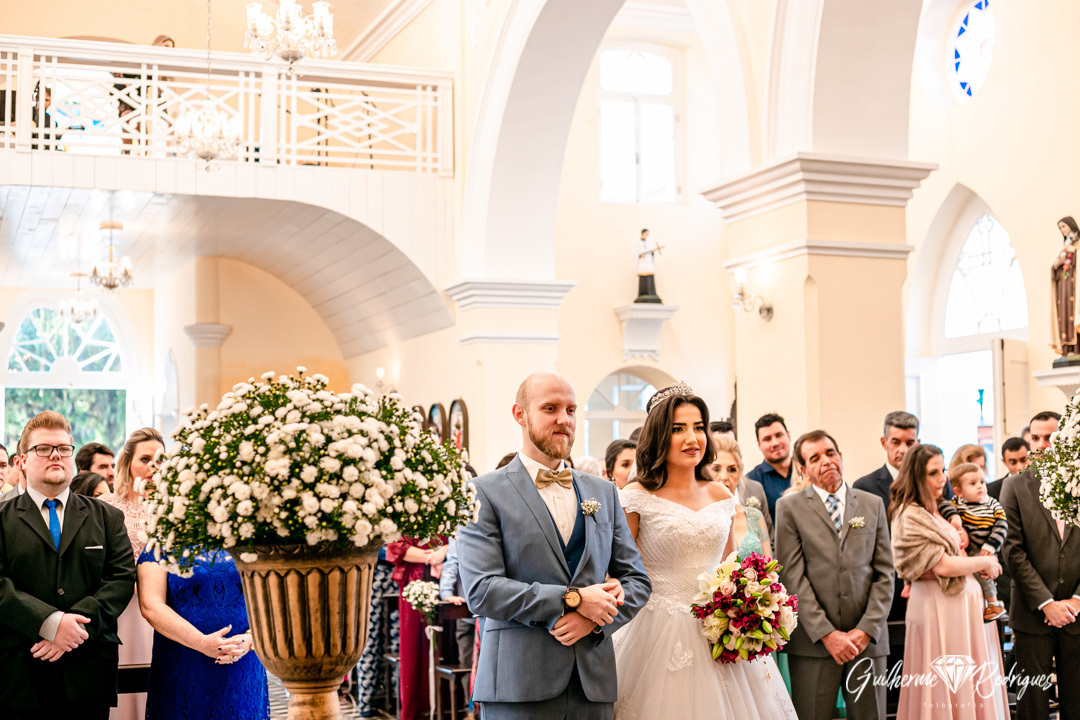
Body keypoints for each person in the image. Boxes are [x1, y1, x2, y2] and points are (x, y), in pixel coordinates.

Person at [458, 372, 651, 720]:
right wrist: (572, 600)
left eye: (571, 410)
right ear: (520, 414)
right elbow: (481, 591)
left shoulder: (603, 492)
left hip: (592, 684)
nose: (564, 419)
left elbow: (637, 581)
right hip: (517, 684)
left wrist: (594, 622)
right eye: (550, 408)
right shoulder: (483, 492)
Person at [612, 384, 793, 718]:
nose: (692, 438)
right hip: (655, 630)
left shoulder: (721, 495)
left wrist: (748, 605)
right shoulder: (636, 497)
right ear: (659, 435)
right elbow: (620, 571)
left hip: (719, 629)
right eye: (678, 429)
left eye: (698, 427)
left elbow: (730, 568)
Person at [0, 411, 136, 719]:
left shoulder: (107, 517)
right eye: (43, 448)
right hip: (20, 672)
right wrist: (50, 624)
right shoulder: (2, 518)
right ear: (22, 461)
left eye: (63, 448)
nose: (55, 455)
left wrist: (72, 628)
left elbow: (120, 579)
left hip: (88, 669)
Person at [774, 430, 894, 720]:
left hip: (867, 642)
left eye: (830, 453)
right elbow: (792, 577)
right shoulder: (789, 508)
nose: (826, 461)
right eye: (814, 458)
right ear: (802, 469)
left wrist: (866, 630)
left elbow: (885, 573)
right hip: (814, 645)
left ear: (840, 456)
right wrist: (827, 635)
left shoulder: (872, 504)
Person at [889, 444, 1008, 719]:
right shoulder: (910, 514)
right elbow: (941, 564)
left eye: (942, 470)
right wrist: (985, 562)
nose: (942, 478)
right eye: (933, 473)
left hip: (963, 610)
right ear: (916, 476)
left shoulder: (938, 509)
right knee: (943, 684)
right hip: (937, 610)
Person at [1001, 410, 1080, 720]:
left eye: (1050, 437)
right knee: (1032, 707)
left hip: (1077, 614)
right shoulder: (1015, 486)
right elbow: (1012, 550)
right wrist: (1046, 603)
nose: (1042, 444)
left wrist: (1076, 600)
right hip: (1032, 615)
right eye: (1035, 438)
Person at [138, 548, 269, 719]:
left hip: (242, 664)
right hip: (183, 666)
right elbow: (151, 606)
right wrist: (201, 642)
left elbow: (274, 599)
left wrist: (251, 639)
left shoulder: (253, 539)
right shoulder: (162, 541)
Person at [100, 428, 164, 720]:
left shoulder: (172, 511)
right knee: (123, 690)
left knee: (158, 684)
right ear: (127, 462)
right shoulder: (105, 507)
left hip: (163, 609)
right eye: (145, 459)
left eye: (160, 460)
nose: (153, 467)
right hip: (121, 610)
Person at [387, 535, 448, 720]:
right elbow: (396, 547)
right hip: (414, 581)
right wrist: (432, 556)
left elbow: (457, 539)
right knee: (413, 645)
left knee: (446, 645)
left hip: (446, 577)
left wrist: (446, 551)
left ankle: (443, 708)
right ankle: (415, 710)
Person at [939, 462, 1009, 621]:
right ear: (959, 491)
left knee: (982, 570)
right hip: (967, 547)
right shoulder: (957, 502)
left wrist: (990, 546)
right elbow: (944, 506)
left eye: (982, 482)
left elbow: (1001, 525)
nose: (980, 486)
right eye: (973, 483)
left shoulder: (992, 503)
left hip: (986, 545)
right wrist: (954, 516)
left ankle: (994, 603)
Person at [709, 434, 771, 557]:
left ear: (739, 475)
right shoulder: (699, 520)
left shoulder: (754, 516)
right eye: (716, 469)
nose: (724, 477)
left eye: (732, 469)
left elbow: (769, 564)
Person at [853, 410, 920, 513]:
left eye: (909, 443)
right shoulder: (864, 487)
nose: (903, 450)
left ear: (918, 444)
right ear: (884, 443)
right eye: (896, 443)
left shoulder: (935, 483)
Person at [746, 413, 795, 518]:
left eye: (779, 435)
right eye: (767, 439)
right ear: (759, 444)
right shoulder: (751, 481)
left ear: (788, 435)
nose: (775, 443)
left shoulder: (806, 471)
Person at [1053, 216, 1080, 357]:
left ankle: (1076, 348)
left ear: (1071, 225)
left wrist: (1074, 252)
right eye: (1060, 228)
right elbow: (1055, 268)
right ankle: (1067, 349)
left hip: (1075, 285)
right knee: (1064, 313)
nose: (1062, 230)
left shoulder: (1077, 245)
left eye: (1063, 226)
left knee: (1074, 312)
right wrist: (1057, 264)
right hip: (1064, 286)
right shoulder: (1064, 247)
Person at [635, 228, 662, 303]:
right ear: (642, 233)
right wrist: (640, 255)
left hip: (648, 262)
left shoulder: (649, 242)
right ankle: (643, 292)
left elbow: (651, 251)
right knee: (643, 277)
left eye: (647, 234)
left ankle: (651, 292)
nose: (646, 235)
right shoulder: (637, 243)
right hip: (642, 262)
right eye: (645, 233)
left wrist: (652, 253)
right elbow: (635, 253)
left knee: (650, 276)